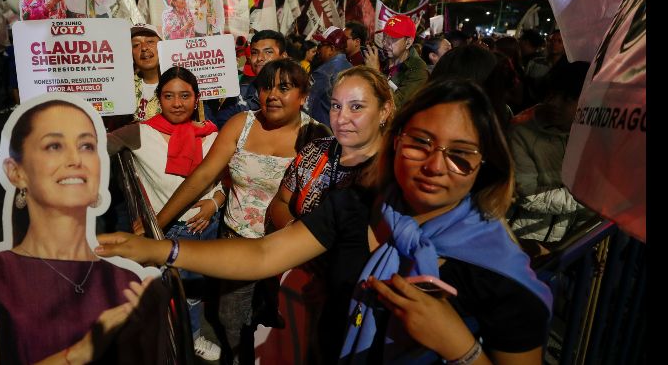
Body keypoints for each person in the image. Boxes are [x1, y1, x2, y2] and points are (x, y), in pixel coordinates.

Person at [96, 78, 552, 365]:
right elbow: (263, 252)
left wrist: (461, 349)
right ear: (398, 141)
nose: (435, 165)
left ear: (485, 165)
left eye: (460, 155)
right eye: (421, 143)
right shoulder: (356, 204)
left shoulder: (502, 274)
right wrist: (160, 248)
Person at [0, 95, 153, 364]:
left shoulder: (127, 280)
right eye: (54, 145)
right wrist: (77, 354)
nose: (75, 159)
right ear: (16, 171)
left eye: (87, 146)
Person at [154, 59, 328, 364]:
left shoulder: (316, 136)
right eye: (265, 87)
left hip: (289, 252)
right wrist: (158, 225)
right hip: (236, 243)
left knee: (282, 326)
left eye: (284, 87)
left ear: (303, 96)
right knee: (231, 320)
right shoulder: (240, 124)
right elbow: (203, 176)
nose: (272, 95)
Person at [266, 65, 393, 364]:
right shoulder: (316, 151)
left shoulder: (394, 172)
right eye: (336, 106)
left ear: (385, 111)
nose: (341, 118)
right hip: (297, 286)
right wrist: (304, 247)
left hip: (358, 307)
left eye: (357, 107)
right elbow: (279, 204)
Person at [108, 66, 223, 361]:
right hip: (166, 232)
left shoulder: (213, 134)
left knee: (195, 293)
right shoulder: (140, 133)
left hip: (206, 228)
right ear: (158, 99)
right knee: (161, 296)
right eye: (168, 96)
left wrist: (214, 203)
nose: (177, 103)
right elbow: (93, 146)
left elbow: (227, 181)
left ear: (196, 99)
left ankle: (194, 336)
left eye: (185, 96)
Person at [508, 61, 594, 254]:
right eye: (552, 94)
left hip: (568, 244)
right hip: (523, 239)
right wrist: (589, 196)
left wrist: (586, 242)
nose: (554, 103)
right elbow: (528, 195)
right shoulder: (522, 131)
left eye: (567, 98)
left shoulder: (594, 135)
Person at [212, 30, 289, 129]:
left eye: (268, 52)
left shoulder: (296, 92)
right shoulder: (238, 95)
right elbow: (221, 127)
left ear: (284, 56)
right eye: (254, 53)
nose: (260, 58)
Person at [366, 14, 428, 110]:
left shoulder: (418, 70)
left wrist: (376, 72)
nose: (385, 42)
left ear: (408, 42)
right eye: (384, 37)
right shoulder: (381, 60)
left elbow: (397, 106)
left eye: (392, 38)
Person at [308, 27, 353, 128]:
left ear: (331, 49)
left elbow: (308, 104)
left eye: (321, 45)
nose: (318, 50)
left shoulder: (323, 73)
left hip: (322, 132)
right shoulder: (352, 69)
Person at [130, 23, 164, 122]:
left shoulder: (180, 83)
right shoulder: (125, 88)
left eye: (150, 42)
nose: (144, 48)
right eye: (136, 45)